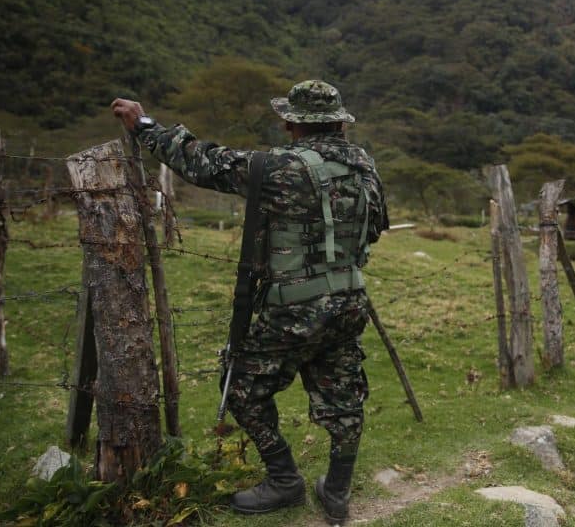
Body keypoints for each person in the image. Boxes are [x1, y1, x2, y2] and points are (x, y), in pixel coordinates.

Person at [111, 79, 388, 522]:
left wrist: (145, 125)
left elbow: (202, 162)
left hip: (294, 306)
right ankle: (336, 491)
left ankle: (284, 481)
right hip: (350, 300)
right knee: (343, 394)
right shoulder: (365, 166)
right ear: (339, 122)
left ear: (291, 124)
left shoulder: (277, 166)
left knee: (240, 387)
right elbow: (374, 228)